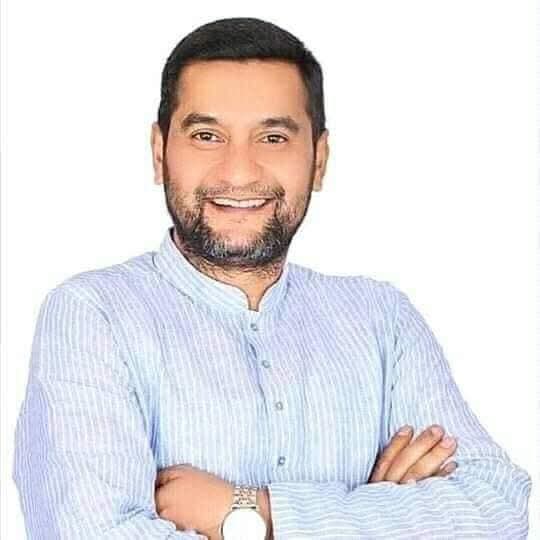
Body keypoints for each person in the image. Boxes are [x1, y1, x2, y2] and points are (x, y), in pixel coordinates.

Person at [12, 16, 531, 540]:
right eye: (207, 136)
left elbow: (499, 508)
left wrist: (253, 513)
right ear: (159, 151)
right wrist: (381, 516)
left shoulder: (383, 320)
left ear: (319, 160)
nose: (239, 172)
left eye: (274, 137)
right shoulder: (93, 316)